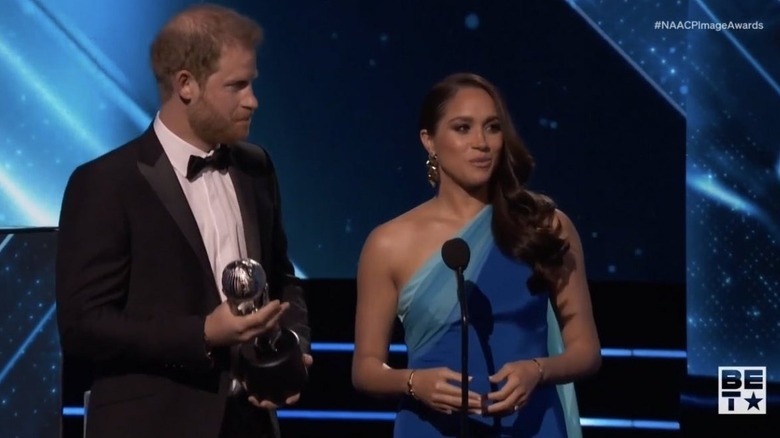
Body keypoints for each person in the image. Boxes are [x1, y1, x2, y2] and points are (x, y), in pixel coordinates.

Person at [55, 4, 311, 438]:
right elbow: (85, 327)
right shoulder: (105, 183)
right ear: (186, 85)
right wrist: (203, 334)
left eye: (252, 84)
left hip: (250, 423)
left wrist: (290, 348)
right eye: (237, 86)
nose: (253, 100)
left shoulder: (257, 168)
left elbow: (283, 277)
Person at [351, 73, 601, 437]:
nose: (481, 143)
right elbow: (366, 369)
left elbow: (586, 351)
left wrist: (538, 370)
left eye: (492, 127)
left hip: (532, 426)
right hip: (431, 428)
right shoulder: (387, 243)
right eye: (462, 128)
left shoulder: (545, 227)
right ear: (429, 141)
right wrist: (413, 382)